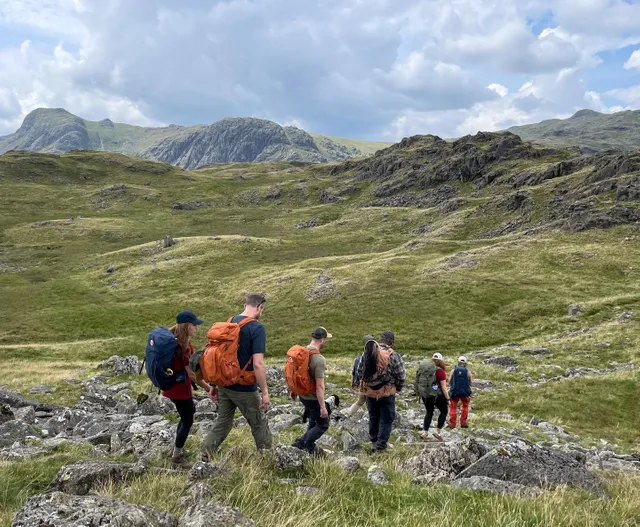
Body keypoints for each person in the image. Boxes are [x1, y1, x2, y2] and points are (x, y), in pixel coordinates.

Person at [201, 294, 272, 457]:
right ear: (259, 307)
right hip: (244, 388)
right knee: (259, 423)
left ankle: (205, 454)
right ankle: (267, 458)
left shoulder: (230, 322)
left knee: (223, 423)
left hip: (224, 384)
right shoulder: (257, 328)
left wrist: (213, 384)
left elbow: (218, 356)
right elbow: (258, 364)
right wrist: (265, 392)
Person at [162, 310, 216, 465]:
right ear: (186, 326)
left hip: (170, 388)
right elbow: (192, 375)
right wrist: (209, 388)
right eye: (194, 325)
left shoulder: (171, 341)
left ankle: (177, 450)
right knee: (188, 419)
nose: (196, 328)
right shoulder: (185, 347)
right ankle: (177, 457)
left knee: (184, 416)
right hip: (181, 390)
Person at [358, 330, 405, 453]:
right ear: (391, 342)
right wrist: (397, 388)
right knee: (386, 419)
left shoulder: (368, 352)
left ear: (381, 339)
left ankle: (373, 441)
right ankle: (381, 445)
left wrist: (364, 387)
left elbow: (360, 372)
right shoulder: (394, 355)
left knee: (373, 416)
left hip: (370, 392)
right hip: (387, 392)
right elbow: (401, 376)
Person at [291, 327, 332, 455]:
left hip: (302, 395)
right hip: (313, 398)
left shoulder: (301, 353)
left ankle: (309, 447)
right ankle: (301, 443)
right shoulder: (319, 359)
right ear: (322, 340)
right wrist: (323, 407)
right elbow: (320, 386)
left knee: (314, 420)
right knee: (323, 424)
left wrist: (294, 390)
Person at [416, 352, 449, 441]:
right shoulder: (440, 372)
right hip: (437, 395)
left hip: (425, 394)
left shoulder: (424, 369)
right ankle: (437, 432)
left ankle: (425, 432)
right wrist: (447, 398)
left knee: (429, 412)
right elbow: (444, 388)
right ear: (441, 361)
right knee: (444, 411)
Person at [343, 334, 373, 418]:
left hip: (363, 385)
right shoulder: (378, 355)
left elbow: (355, 372)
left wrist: (355, 383)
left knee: (359, 402)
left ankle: (347, 414)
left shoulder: (358, 359)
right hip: (374, 387)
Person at [449, 356, 472, 429]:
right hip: (465, 393)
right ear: (465, 363)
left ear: (458, 362)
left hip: (455, 392)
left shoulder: (453, 370)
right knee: (465, 406)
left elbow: (449, 381)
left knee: (453, 407)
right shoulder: (468, 372)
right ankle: (463, 423)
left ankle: (452, 424)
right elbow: (471, 383)